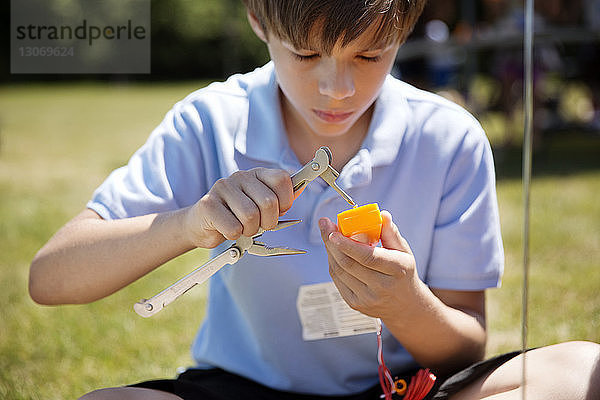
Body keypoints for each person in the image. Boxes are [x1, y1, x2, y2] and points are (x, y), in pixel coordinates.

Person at [29, 1, 600, 399]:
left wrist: (405, 304)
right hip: (244, 391)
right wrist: (189, 224)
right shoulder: (210, 121)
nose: (336, 89)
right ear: (258, 16)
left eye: (369, 56)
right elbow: (51, 278)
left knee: (581, 373)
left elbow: (464, 348)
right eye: (305, 55)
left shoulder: (448, 137)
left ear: (406, 25)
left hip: (403, 390)